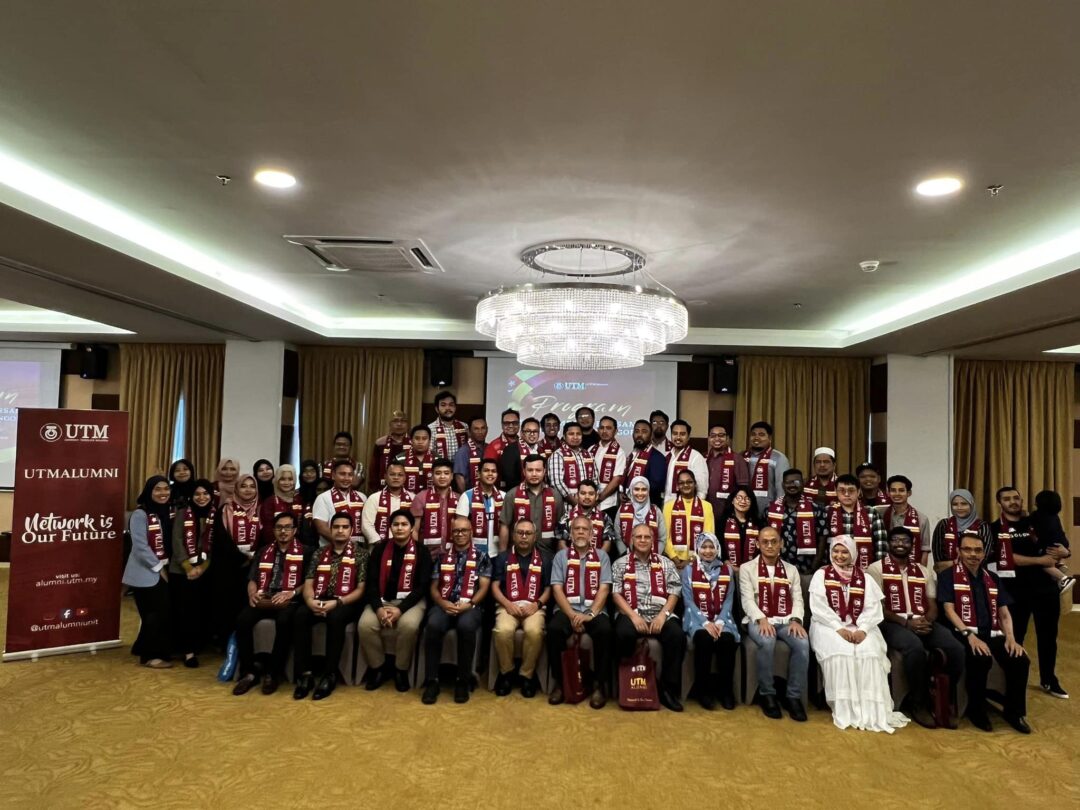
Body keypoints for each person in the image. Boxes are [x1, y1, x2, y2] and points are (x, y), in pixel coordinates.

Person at [809, 536, 910, 733]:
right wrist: (839, 628)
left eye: (844, 552)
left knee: (869, 651)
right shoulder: (821, 575)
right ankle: (846, 709)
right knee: (842, 651)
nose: (839, 556)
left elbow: (873, 609)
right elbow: (819, 607)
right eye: (836, 551)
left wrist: (863, 629)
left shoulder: (865, 578)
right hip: (828, 625)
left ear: (853, 554)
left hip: (862, 627)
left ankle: (871, 711)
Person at [867, 527, 964, 728]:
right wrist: (906, 623)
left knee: (956, 648)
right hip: (892, 623)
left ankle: (945, 700)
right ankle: (918, 703)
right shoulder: (876, 569)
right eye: (895, 540)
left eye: (905, 540)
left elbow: (932, 604)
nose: (900, 544)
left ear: (912, 545)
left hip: (923, 621)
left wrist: (927, 621)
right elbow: (878, 607)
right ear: (888, 544)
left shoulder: (923, 571)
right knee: (914, 647)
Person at [938, 533, 1031, 733]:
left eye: (978, 550)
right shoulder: (947, 576)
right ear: (958, 551)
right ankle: (977, 710)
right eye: (967, 549)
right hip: (962, 633)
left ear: (984, 554)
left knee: (1020, 659)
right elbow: (948, 610)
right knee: (980, 657)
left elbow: (1004, 612)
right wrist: (970, 636)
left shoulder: (992, 578)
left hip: (992, 633)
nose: (973, 554)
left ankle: (1014, 712)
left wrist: (1011, 639)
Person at [991, 486, 1069, 700]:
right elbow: (1006, 557)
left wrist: (1066, 552)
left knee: (1048, 637)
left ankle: (1048, 679)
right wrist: (1040, 561)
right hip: (1015, 591)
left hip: (1045, 589)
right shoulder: (995, 528)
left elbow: (1057, 543)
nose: (1013, 502)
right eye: (1007, 499)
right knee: (1016, 636)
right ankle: (1013, 681)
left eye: (1016, 497)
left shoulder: (1037, 520)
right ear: (999, 503)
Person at [292, 512, 368, 701]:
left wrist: (338, 602)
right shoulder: (319, 553)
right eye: (336, 527)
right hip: (319, 598)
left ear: (351, 530)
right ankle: (305, 674)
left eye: (345, 527)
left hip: (346, 602)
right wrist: (310, 601)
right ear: (331, 529)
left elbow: (361, 590)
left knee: (336, 617)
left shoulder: (361, 554)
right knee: (300, 614)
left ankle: (329, 674)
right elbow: (309, 582)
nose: (340, 530)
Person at [612, 523, 686, 711]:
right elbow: (616, 594)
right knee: (623, 634)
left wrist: (663, 616)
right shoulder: (620, 564)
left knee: (677, 636)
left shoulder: (666, 563)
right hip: (630, 612)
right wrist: (633, 616)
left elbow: (674, 592)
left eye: (647, 537)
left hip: (660, 612)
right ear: (631, 540)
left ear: (653, 540)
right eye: (639, 537)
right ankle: (626, 685)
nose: (643, 540)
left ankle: (667, 690)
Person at [232, 511, 307, 696]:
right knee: (242, 620)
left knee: (284, 621)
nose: (283, 531)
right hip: (264, 596)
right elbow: (253, 578)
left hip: (289, 600)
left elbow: (309, 582)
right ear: (273, 530)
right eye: (279, 527)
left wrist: (291, 593)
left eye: (288, 527)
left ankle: (273, 673)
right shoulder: (263, 551)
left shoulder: (306, 551)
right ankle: (249, 673)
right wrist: (252, 594)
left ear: (295, 530)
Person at [738, 525, 808, 721]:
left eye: (774, 542)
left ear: (781, 544)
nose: (769, 545)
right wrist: (762, 619)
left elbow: (798, 599)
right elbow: (747, 600)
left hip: (786, 619)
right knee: (767, 640)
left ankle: (793, 696)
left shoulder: (791, 570)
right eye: (765, 542)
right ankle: (767, 694)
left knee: (802, 643)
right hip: (758, 619)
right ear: (757, 545)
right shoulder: (747, 568)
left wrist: (796, 620)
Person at [421, 516, 493, 705]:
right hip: (444, 604)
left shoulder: (482, 557)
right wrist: (442, 603)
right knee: (433, 625)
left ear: (471, 532)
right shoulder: (442, 557)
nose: (460, 534)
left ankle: (463, 680)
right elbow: (433, 587)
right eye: (456, 531)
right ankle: (432, 681)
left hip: (470, 606)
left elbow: (484, 587)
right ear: (451, 534)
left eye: (464, 530)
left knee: (466, 626)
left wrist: (469, 604)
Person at [359, 509, 432, 692]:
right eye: (396, 524)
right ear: (390, 527)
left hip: (411, 602)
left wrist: (401, 609)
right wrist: (378, 608)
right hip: (382, 601)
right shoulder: (379, 549)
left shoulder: (422, 551)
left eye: (404, 524)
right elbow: (371, 582)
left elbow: (422, 587)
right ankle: (378, 668)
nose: (400, 528)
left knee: (409, 626)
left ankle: (401, 670)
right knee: (365, 625)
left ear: (412, 528)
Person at [547, 515, 615, 708]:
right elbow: (557, 589)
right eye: (577, 529)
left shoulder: (602, 556)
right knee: (553, 630)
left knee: (605, 631)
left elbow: (604, 589)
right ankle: (560, 683)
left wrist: (590, 614)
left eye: (585, 529)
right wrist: (572, 615)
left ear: (592, 534)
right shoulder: (561, 556)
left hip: (594, 611)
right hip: (567, 609)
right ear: (570, 534)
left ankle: (599, 685)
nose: (581, 532)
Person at [490, 519, 552, 697]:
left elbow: (549, 589)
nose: (524, 536)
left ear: (535, 537)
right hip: (507, 605)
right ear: (513, 535)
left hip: (534, 607)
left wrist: (537, 604)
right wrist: (507, 604)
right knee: (503, 630)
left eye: (528, 533)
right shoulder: (503, 557)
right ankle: (506, 673)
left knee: (534, 631)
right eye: (520, 533)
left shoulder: (545, 558)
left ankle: (527, 675)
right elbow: (495, 586)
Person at [682, 531, 739, 710]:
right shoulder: (688, 570)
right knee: (704, 639)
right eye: (704, 547)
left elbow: (729, 600)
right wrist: (705, 623)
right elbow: (688, 600)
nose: (708, 551)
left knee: (727, 640)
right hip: (696, 618)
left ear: (717, 548)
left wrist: (720, 621)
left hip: (723, 618)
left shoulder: (727, 570)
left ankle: (726, 691)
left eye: (711, 547)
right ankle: (703, 690)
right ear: (698, 549)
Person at [123, 476, 174, 668]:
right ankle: (149, 656)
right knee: (154, 614)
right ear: (148, 492)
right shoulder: (140, 514)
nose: (163, 493)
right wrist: (159, 568)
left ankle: (140, 647)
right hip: (145, 573)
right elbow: (140, 547)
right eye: (157, 489)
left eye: (166, 489)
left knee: (158, 613)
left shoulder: (166, 512)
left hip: (162, 568)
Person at [170, 478, 216, 667]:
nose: (201, 497)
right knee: (184, 612)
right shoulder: (182, 513)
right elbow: (176, 540)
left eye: (205, 493)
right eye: (197, 494)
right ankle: (187, 652)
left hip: (205, 572)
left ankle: (198, 645)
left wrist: (202, 568)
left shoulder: (216, 515)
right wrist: (188, 567)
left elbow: (215, 545)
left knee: (200, 611)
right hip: (181, 571)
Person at [213, 474, 261, 645]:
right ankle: (226, 643)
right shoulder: (225, 509)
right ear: (237, 489)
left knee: (247, 606)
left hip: (253, 567)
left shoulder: (260, 509)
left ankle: (245, 644)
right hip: (229, 567)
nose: (248, 490)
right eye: (243, 486)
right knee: (227, 606)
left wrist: (254, 558)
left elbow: (265, 536)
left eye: (252, 486)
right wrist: (241, 557)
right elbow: (221, 538)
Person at [766, 468, 832, 579]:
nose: (792, 485)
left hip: (807, 570)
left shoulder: (816, 510)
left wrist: (813, 568)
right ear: (783, 485)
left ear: (803, 484)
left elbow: (822, 541)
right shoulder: (770, 509)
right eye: (788, 482)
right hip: (777, 569)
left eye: (796, 482)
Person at [499, 454, 564, 559]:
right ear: (524, 472)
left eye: (538, 470)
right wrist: (502, 556)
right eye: (530, 470)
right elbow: (504, 526)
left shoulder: (555, 495)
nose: (534, 474)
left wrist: (560, 557)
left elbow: (560, 529)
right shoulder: (512, 495)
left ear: (544, 471)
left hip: (549, 554)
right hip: (518, 556)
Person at [827, 474, 888, 570]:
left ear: (858, 491)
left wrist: (876, 570)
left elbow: (881, 546)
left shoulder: (871, 513)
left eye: (851, 490)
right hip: (832, 569)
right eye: (842, 490)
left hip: (866, 570)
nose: (846, 494)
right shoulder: (828, 512)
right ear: (835, 491)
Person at [930, 489, 992, 574]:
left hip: (975, 576)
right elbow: (939, 564)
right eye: (955, 504)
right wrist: (966, 563)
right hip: (947, 576)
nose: (959, 507)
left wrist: (952, 563)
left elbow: (983, 558)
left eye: (964, 504)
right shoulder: (944, 524)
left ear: (971, 504)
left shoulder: (982, 526)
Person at [663, 470, 715, 570]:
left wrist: (691, 560)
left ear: (695, 484)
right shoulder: (668, 506)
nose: (685, 485)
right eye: (681, 483)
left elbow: (708, 536)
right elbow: (665, 537)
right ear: (677, 486)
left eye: (689, 482)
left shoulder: (706, 506)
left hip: (698, 561)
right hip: (673, 562)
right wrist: (675, 559)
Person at [454, 458, 504, 557]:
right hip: (474, 554)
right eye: (486, 471)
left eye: (493, 471)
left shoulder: (503, 496)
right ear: (478, 474)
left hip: (497, 553)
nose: (490, 474)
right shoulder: (467, 496)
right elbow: (460, 527)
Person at [311, 460, 366, 546]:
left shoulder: (362, 497)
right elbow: (322, 528)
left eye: (350, 475)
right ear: (333, 475)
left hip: (359, 549)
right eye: (342, 474)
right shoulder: (323, 498)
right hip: (332, 548)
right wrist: (346, 543)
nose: (346, 478)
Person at [556, 480, 617, 555]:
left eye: (591, 494)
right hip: (571, 560)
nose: (587, 497)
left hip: (597, 560)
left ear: (597, 496)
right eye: (583, 493)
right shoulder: (566, 517)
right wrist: (573, 558)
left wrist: (595, 558)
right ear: (577, 496)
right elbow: (561, 545)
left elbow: (607, 545)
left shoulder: (604, 517)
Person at [1030, 489, 1074, 593]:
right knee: (1053, 559)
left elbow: (1043, 536)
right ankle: (1059, 564)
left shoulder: (1037, 516)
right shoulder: (1055, 516)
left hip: (1050, 545)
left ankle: (1064, 578)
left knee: (1044, 564)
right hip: (1062, 542)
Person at [411, 458, 456, 559]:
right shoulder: (421, 497)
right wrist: (418, 553)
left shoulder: (459, 498)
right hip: (426, 555)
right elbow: (414, 530)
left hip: (453, 554)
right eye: (438, 473)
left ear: (452, 476)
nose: (442, 476)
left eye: (446, 473)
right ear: (432, 476)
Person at [361, 460, 414, 545]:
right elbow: (366, 525)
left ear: (405, 478)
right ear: (385, 476)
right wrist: (380, 544)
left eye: (400, 475)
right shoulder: (374, 498)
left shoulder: (413, 498)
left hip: (407, 546)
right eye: (392, 474)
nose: (396, 477)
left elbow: (415, 526)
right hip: (379, 546)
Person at [743, 421, 791, 514]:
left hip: (769, 511)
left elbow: (781, 490)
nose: (756, 437)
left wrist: (777, 511)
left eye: (761, 434)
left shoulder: (779, 458)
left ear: (769, 438)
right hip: (744, 510)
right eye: (753, 434)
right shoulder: (742, 456)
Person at [883, 475, 931, 564]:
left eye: (901, 490)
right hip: (885, 565)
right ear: (888, 493)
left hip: (912, 567)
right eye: (893, 490)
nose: (897, 494)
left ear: (909, 493)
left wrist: (921, 570)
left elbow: (925, 550)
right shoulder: (881, 515)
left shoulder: (921, 519)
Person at [616, 476, 666, 559]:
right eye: (636, 489)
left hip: (652, 560)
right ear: (631, 490)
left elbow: (662, 539)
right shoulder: (622, 509)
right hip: (626, 558)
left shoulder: (656, 511)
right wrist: (626, 556)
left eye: (644, 489)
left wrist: (653, 557)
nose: (640, 493)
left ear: (648, 491)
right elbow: (618, 536)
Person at [705, 424, 750, 516]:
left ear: (727, 438)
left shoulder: (737, 459)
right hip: (706, 510)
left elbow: (743, 488)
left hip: (728, 511)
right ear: (709, 439)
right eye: (713, 436)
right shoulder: (703, 458)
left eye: (721, 435)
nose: (717, 439)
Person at [258, 464, 306, 548]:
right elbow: (267, 531)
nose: (286, 483)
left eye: (290, 479)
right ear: (277, 480)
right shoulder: (269, 502)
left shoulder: (300, 500)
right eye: (282, 479)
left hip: (298, 547)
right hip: (274, 547)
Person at [547, 422, 594, 507]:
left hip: (589, 506)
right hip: (567, 507)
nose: (575, 437)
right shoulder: (558, 455)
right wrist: (577, 505)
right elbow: (557, 483)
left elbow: (595, 481)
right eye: (571, 434)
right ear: (564, 437)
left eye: (578, 434)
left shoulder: (589, 455)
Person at [623, 419, 668, 506]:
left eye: (644, 431)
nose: (639, 435)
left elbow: (656, 486)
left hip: (648, 507)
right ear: (632, 434)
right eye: (637, 431)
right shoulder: (631, 455)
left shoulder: (657, 457)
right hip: (628, 505)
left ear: (651, 435)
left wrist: (633, 493)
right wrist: (623, 492)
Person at [717, 485, 763, 568]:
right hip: (728, 568)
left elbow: (762, 548)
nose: (743, 501)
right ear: (732, 500)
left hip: (753, 569)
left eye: (747, 498)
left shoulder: (758, 523)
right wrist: (729, 565)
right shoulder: (722, 522)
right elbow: (719, 546)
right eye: (739, 497)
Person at [663, 419, 709, 501]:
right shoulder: (667, 456)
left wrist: (694, 507)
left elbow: (702, 491)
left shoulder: (696, 457)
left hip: (686, 505)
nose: (678, 437)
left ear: (688, 437)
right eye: (675, 433)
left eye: (682, 434)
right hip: (666, 505)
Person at [591, 416, 626, 520]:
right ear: (598, 430)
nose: (604, 431)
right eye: (602, 428)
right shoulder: (591, 449)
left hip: (608, 503)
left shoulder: (619, 452)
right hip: (589, 500)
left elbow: (617, 480)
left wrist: (598, 499)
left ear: (615, 431)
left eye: (608, 428)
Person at [483, 408, 522, 490]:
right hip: (500, 490)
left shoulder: (524, 444)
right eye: (507, 423)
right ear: (502, 425)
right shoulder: (493, 446)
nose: (511, 426)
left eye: (514, 423)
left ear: (519, 424)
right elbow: (487, 472)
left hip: (523, 489)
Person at [371, 411, 411, 489]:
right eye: (395, 421)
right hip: (384, 487)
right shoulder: (380, 443)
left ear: (407, 424)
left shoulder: (413, 443)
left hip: (408, 487)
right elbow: (374, 469)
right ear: (390, 424)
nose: (399, 424)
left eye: (403, 421)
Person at [452, 416, 488, 494]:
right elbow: (459, 478)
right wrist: (466, 497)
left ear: (487, 430)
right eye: (476, 429)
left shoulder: (489, 448)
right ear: (469, 431)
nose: (480, 432)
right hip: (471, 495)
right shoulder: (463, 452)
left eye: (483, 428)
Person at [429, 390, 468, 461]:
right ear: (437, 409)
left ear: (455, 407)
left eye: (451, 405)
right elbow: (429, 453)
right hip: (440, 467)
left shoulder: (464, 427)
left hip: (461, 467)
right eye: (443, 405)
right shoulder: (430, 429)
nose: (448, 408)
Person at [398, 425, 434, 493]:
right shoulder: (400, 459)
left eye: (424, 438)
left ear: (429, 441)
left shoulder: (437, 459)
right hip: (405, 497)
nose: (420, 442)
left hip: (431, 498)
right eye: (417, 438)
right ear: (411, 440)